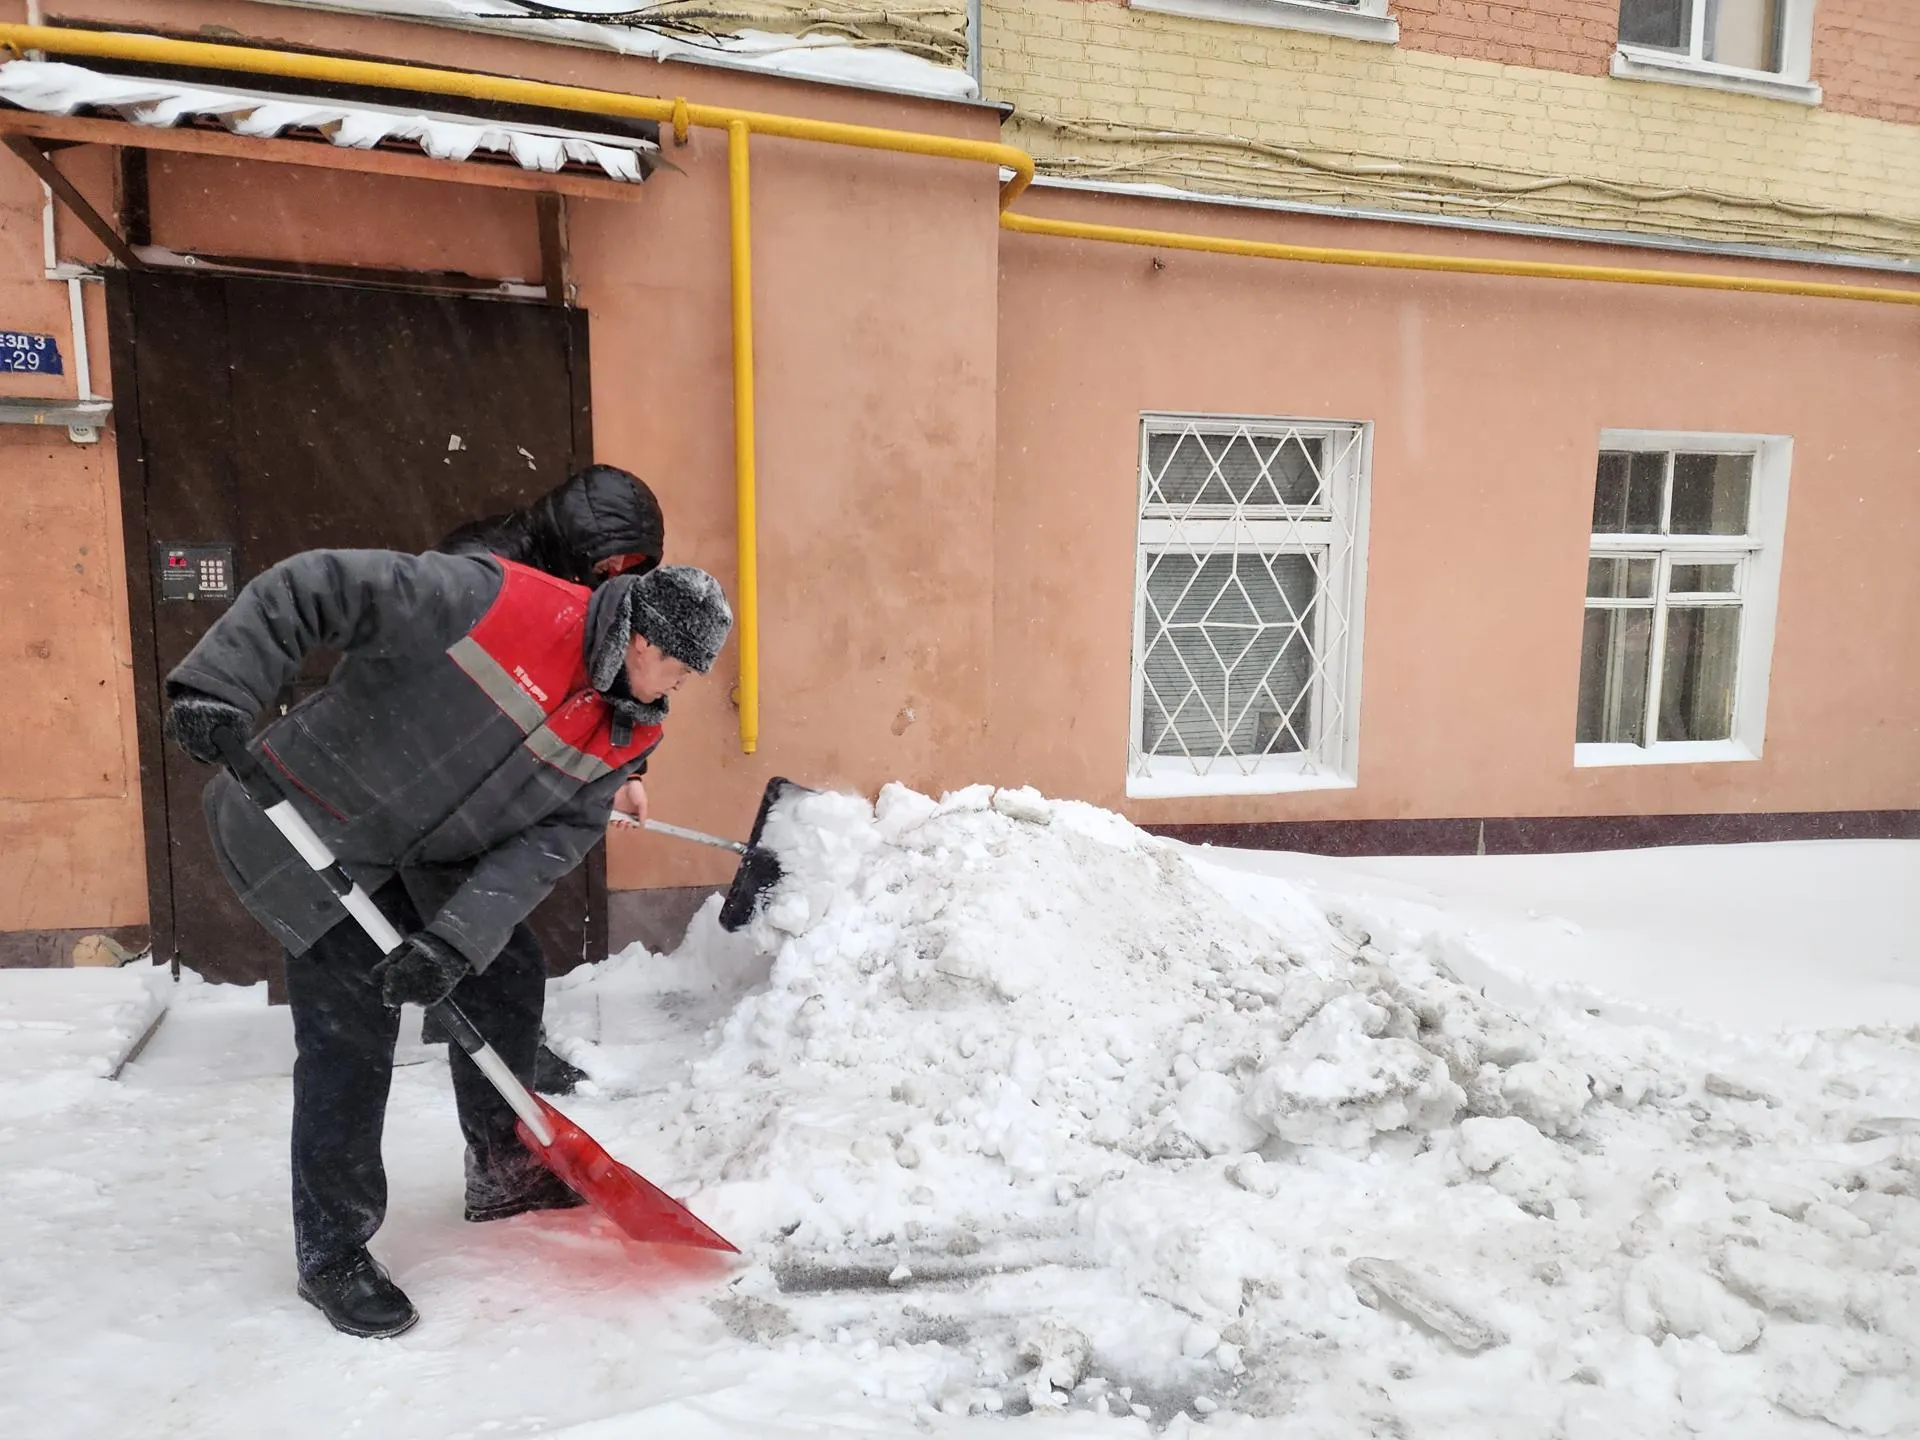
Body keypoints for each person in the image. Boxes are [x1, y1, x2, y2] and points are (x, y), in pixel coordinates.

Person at [161, 548, 732, 1339]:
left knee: (507, 971)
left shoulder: (625, 733)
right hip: (321, 825)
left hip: (433, 857)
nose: (679, 688)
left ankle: (504, 1169)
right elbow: (314, 586)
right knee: (349, 1035)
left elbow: (544, 849)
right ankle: (333, 1252)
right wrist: (218, 684)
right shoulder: (494, 600)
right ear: (644, 642)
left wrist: (455, 946)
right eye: (681, 670)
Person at [435, 464, 665, 1091]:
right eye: (612, 559)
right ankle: (507, 1082)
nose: (617, 573)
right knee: (496, 949)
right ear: (579, 537)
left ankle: (491, 1056)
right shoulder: (483, 566)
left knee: (485, 935)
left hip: (504, 779)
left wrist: (628, 771)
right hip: (450, 779)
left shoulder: (597, 587)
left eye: (633, 565)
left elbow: (614, 678)